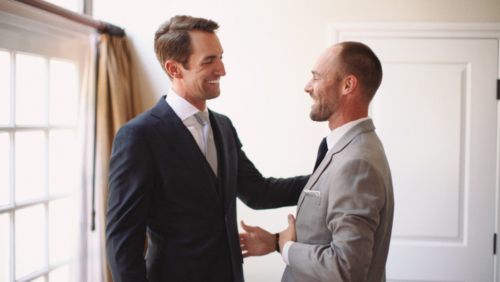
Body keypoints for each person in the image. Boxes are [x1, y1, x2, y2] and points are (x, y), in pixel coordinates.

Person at [105, 15, 309, 282]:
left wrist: (328, 178)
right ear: (175, 68)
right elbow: (122, 240)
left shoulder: (223, 126)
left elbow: (258, 191)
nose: (222, 69)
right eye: (209, 61)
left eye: (220, 57)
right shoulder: (138, 136)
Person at [239, 42, 394, 282]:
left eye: (316, 77)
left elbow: (345, 267)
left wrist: (287, 248)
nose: (307, 87)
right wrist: (276, 242)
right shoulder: (350, 148)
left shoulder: (357, 162)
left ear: (348, 85)